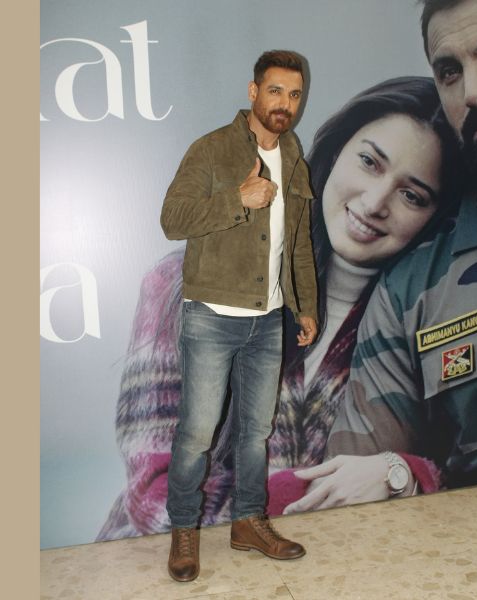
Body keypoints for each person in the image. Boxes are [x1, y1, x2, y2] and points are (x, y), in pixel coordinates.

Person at [96, 78, 459, 545]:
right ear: (335, 151)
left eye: (413, 195)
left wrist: (401, 474)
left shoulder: (413, 325)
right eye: (370, 162)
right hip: (161, 567)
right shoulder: (185, 282)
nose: (375, 203)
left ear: (436, 217)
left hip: (322, 572)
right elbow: (158, 499)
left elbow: (455, 476)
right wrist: (332, 497)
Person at [283, 0, 477, 515]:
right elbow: (344, 499)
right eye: (450, 71)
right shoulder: (409, 290)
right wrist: (406, 475)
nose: (474, 90)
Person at [160, 49, 318, 583]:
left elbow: (298, 243)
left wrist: (305, 305)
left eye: (294, 94)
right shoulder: (212, 149)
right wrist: (238, 198)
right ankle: (184, 529)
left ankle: (249, 521)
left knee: (256, 432)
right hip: (211, 315)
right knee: (197, 433)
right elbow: (172, 219)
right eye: (275, 91)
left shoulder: (294, 157)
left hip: (268, 319)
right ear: (253, 92)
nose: (285, 104)